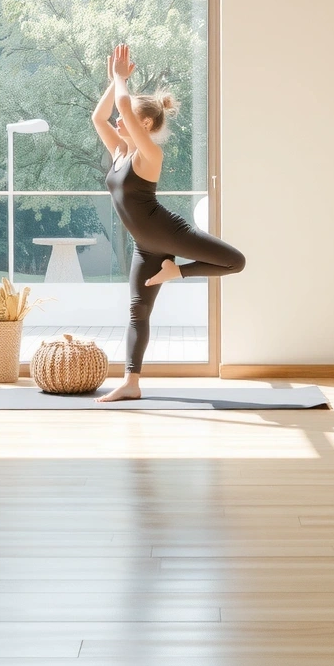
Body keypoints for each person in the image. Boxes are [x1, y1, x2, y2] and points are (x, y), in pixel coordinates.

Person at [90, 43, 245, 401]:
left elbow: (123, 107)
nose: (118, 121)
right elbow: (99, 117)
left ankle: (177, 272)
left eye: (127, 119)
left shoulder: (149, 154)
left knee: (235, 261)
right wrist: (113, 81)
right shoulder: (120, 151)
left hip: (169, 232)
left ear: (144, 124)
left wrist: (120, 78)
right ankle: (131, 383)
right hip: (145, 246)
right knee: (138, 311)